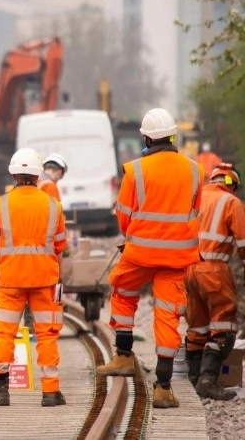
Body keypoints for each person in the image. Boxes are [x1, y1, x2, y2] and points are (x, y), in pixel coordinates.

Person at [96, 107, 204, 409]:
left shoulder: (136, 170)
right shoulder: (195, 170)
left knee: (122, 289)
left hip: (140, 254)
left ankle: (124, 356)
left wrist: (137, 236)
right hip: (179, 257)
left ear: (146, 138)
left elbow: (124, 217)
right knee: (168, 313)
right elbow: (196, 212)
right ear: (173, 136)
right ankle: (164, 386)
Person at [0, 147, 68, 407]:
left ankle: (1, 392)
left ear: (13, 175)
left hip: (10, 279)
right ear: (37, 175)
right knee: (47, 334)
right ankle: (51, 393)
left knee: (5, 333)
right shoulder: (52, 205)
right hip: (45, 279)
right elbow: (60, 244)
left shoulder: (0, 204)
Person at [185, 163, 245, 401]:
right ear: (233, 184)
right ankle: (208, 380)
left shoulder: (196, 198)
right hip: (214, 268)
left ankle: (192, 380)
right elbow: (243, 244)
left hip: (188, 268)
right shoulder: (231, 202)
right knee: (224, 325)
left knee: (197, 325)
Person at [24, 152, 68, 330]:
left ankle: (29, 324)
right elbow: (55, 219)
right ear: (58, 172)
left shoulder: (33, 183)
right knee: (50, 287)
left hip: (26, 242)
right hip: (44, 245)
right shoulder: (50, 186)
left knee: (29, 288)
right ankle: (48, 325)